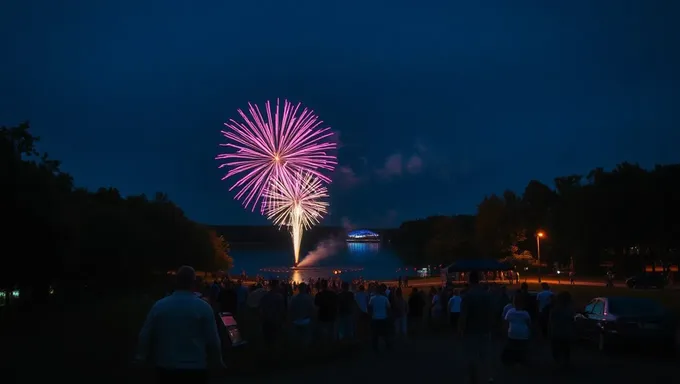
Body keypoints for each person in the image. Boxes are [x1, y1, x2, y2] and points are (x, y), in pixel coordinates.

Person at [135, 266, 224, 383]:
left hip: (166, 366)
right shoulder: (203, 307)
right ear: (194, 282)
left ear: (176, 281)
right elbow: (213, 339)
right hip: (195, 368)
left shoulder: (159, 306)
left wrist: (141, 357)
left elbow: (145, 334)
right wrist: (218, 361)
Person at [458, 271, 494, 384]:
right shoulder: (486, 294)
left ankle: (474, 379)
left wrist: (461, 330)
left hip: (471, 330)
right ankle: (488, 377)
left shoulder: (467, 296)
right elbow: (491, 312)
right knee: (484, 355)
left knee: (471, 356)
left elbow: (464, 315)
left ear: (469, 280)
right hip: (484, 329)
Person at [501, 291, 531, 366]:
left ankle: (512, 360)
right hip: (523, 334)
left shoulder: (510, 312)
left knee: (512, 346)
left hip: (512, 332)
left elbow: (506, 322)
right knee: (522, 347)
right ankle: (521, 360)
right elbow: (528, 323)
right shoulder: (525, 313)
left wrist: (505, 331)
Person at [549, 291, 574, 368]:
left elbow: (551, 321)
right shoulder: (569, 310)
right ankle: (565, 362)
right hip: (566, 333)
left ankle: (559, 362)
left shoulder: (555, 309)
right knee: (566, 349)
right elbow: (572, 320)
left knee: (556, 349)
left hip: (556, 332)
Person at [259, 279, 285, 345]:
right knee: (275, 340)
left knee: (267, 340)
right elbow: (281, 310)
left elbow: (262, 309)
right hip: (275, 321)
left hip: (266, 321)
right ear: (276, 286)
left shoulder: (264, 296)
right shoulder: (279, 297)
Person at [368, 284, 392, 351]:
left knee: (375, 335)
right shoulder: (385, 298)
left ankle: (375, 348)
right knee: (385, 333)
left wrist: (371, 315)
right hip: (383, 318)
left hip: (375, 318)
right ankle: (388, 346)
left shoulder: (372, 298)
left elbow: (369, 308)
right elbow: (389, 308)